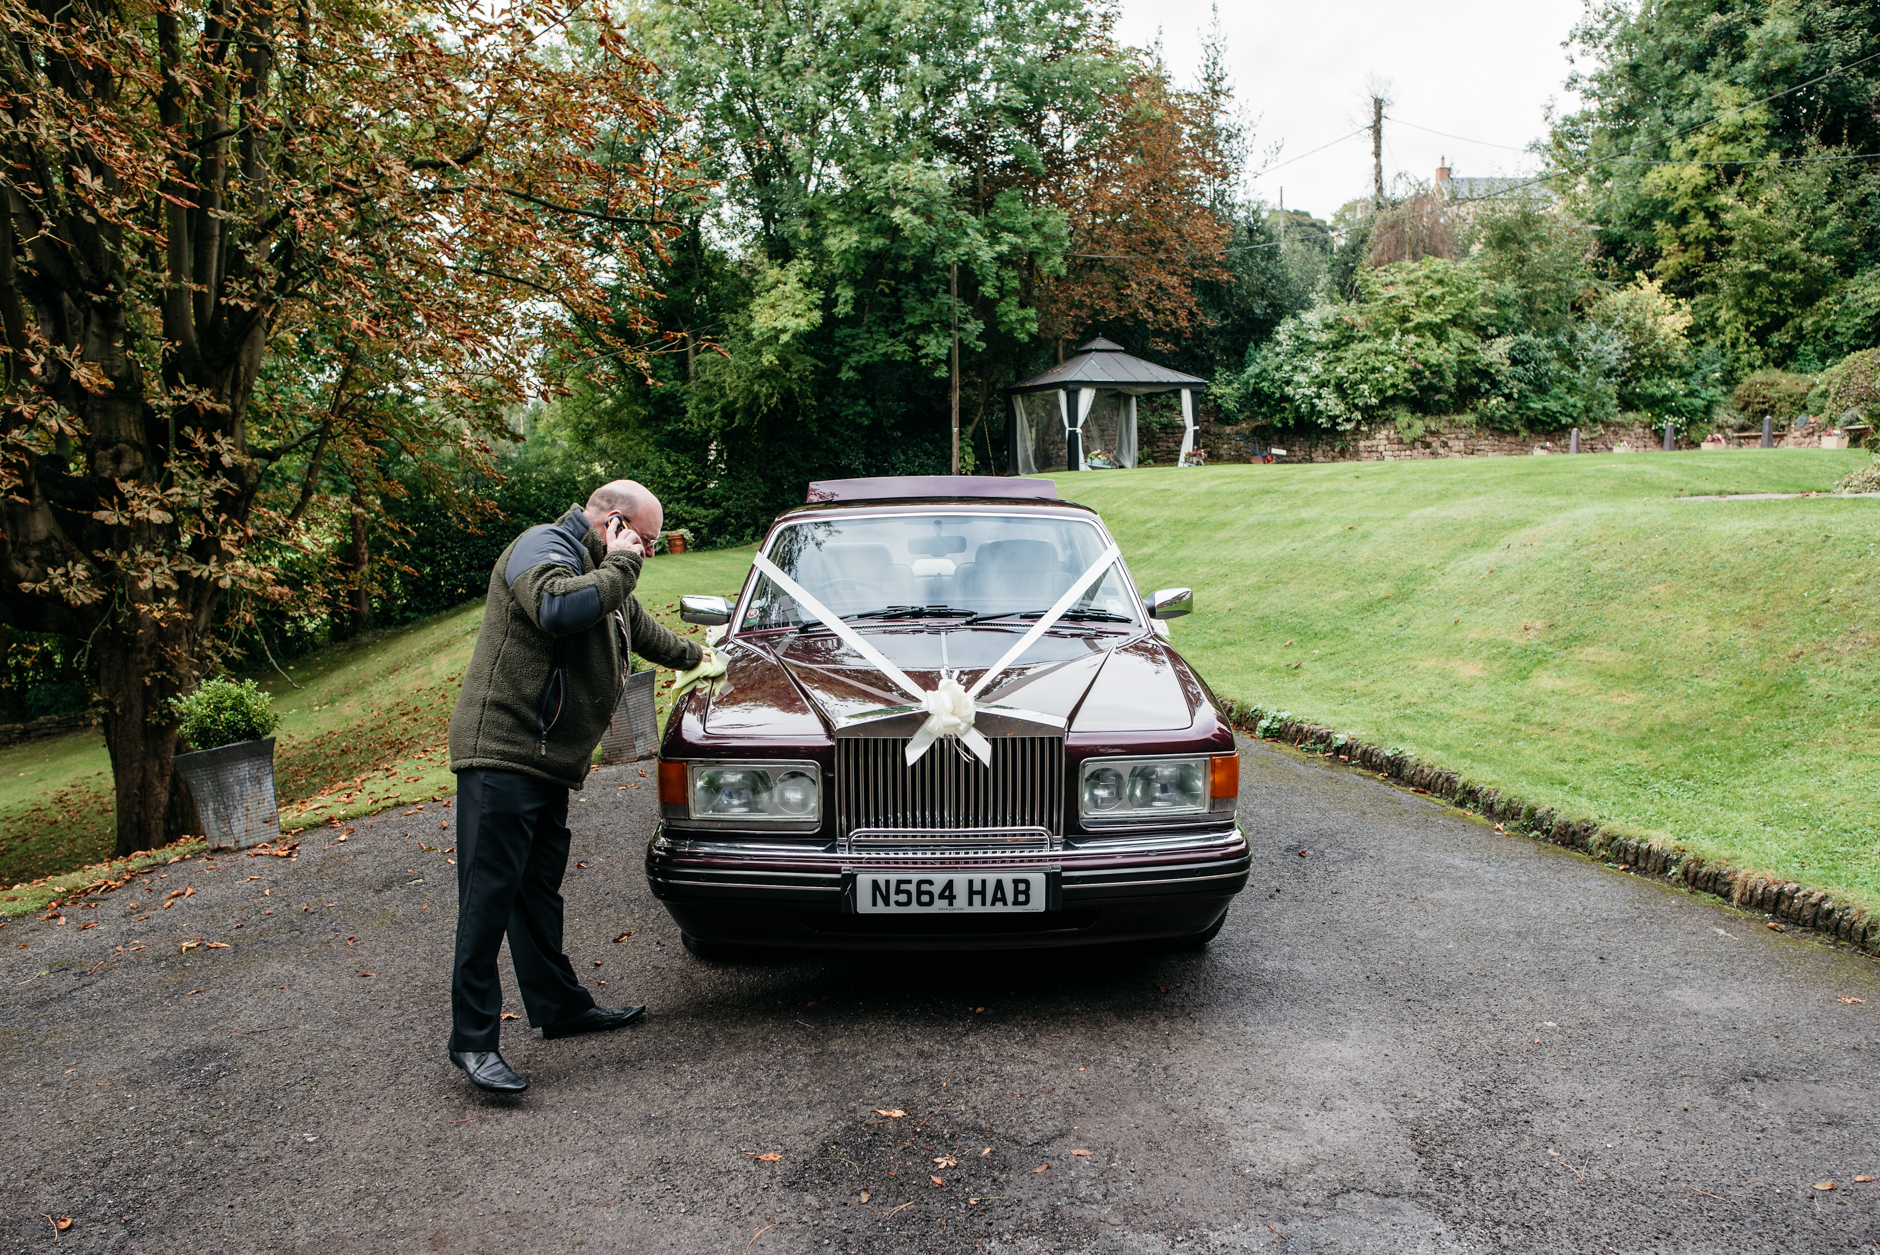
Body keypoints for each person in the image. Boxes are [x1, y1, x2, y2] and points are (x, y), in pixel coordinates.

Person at [444, 480, 711, 1093]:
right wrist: (621, 561)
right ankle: (473, 1041)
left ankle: (559, 1007)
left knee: (536, 892)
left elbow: (646, 634)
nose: (647, 554)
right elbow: (558, 608)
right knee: (487, 902)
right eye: (644, 540)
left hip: (545, 762)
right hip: (502, 753)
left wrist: (708, 658)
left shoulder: (602, 570)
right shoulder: (542, 547)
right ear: (612, 524)